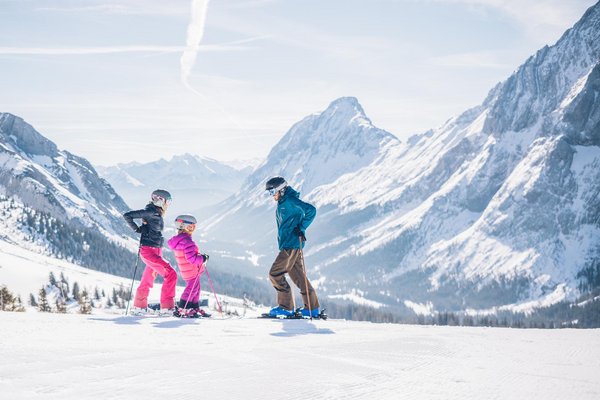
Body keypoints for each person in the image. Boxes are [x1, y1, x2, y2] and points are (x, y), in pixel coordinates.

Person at [265, 176, 320, 318]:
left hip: (290, 245)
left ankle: (286, 307)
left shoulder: (290, 201)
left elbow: (311, 210)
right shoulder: (283, 201)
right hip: (292, 244)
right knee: (298, 276)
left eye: (272, 192)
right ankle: (312, 308)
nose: (271, 196)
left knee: (275, 273)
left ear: (281, 190)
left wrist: (301, 227)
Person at [123, 189, 177, 315]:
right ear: (160, 200)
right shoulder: (150, 212)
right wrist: (137, 229)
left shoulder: (155, 213)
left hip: (156, 251)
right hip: (149, 251)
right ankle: (167, 308)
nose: (168, 204)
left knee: (147, 280)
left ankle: (139, 307)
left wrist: (144, 228)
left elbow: (151, 229)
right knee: (171, 274)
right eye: (167, 201)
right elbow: (128, 216)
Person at [167, 214, 210, 318]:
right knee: (191, 289)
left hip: (188, 270)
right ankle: (184, 308)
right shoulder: (187, 241)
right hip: (191, 271)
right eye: (191, 227)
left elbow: (188, 256)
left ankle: (194, 307)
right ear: (184, 226)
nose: (193, 229)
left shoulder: (180, 240)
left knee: (196, 289)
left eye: (194, 227)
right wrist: (203, 258)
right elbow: (192, 259)